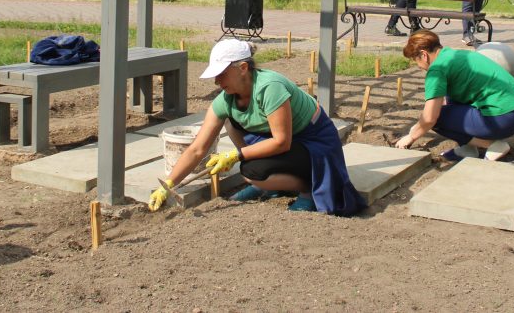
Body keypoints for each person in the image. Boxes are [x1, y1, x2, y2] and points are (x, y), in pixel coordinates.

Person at [148, 39, 365, 216]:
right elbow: (197, 148)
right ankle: (269, 185)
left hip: (313, 142)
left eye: (222, 73)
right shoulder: (225, 100)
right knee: (231, 122)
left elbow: (282, 141)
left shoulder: (270, 88)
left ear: (243, 68)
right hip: (281, 142)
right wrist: (168, 185)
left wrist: (236, 155)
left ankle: (307, 190)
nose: (216, 81)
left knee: (251, 171)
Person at [394, 30, 514, 162]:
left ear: (424, 55)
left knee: (438, 119)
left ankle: (492, 145)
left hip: (502, 118)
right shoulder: (455, 55)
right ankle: (467, 149)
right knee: (450, 100)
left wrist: (411, 136)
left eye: (415, 60)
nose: (419, 66)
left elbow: (430, 118)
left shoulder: (437, 69)